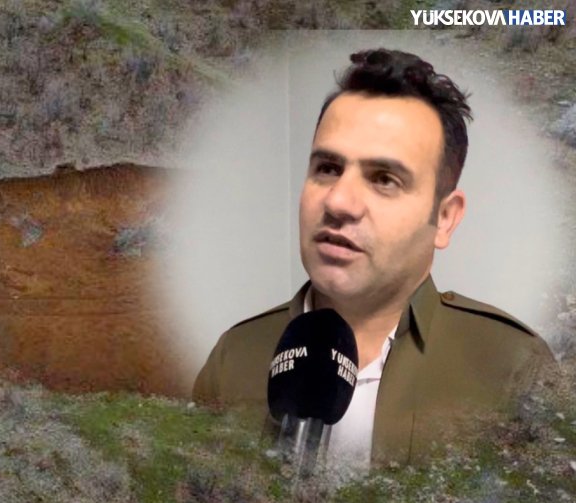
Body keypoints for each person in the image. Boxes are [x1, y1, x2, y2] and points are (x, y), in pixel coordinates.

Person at [192, 48, 556, 473]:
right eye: (327, 168)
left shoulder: (512, 369)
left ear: (443, 218)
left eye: (384, 179)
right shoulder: (233, 357)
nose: (339, 202)